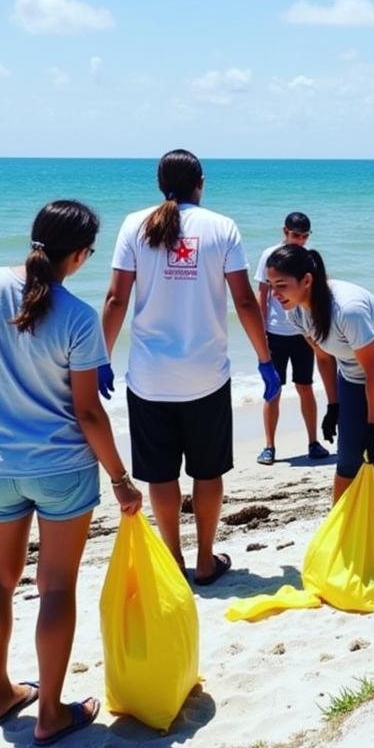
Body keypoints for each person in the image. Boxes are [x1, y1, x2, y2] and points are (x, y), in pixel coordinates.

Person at [0, 200, 142, 747]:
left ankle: (0, 694)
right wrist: (120, 480)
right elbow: (88, 412)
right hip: (60, 469)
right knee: (55, 587)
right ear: (78, 255)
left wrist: (1, 358)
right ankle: (50, 711)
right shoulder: (76, 317)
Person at [102, 149, 280, 586]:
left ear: (160, 182)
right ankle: (204, 560)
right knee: (207, 471)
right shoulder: (222, 227)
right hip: (206, 375)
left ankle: (173, 561)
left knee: (160, 475)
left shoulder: (133, 224)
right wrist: (265, 359)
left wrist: (99, 358)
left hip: (148, 377)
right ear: (200, 181)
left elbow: (116, 300)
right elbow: (243, 301)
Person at [266, 244, 374, 539]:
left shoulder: (346, 310)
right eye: (271, 285)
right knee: (347, 461)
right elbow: (324, 357)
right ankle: (341, 542)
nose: (275, 294)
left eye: (281, 285)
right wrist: (333, 405)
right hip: (351, 373)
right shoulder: (296, 313)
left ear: (307, 281)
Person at [252, 212, 331, 464]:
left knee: (305, 387)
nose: (300, 241)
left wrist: (320, 327)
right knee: (273, 390)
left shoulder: (310, 257)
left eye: (305, 236)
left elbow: (319, 292)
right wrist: (260, 331)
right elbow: (262, 294)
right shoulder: (270, 255)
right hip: (275, 333)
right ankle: (269, 447)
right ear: (284, 231)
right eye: (296, 235)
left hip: (303, 333)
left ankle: (313, 441)